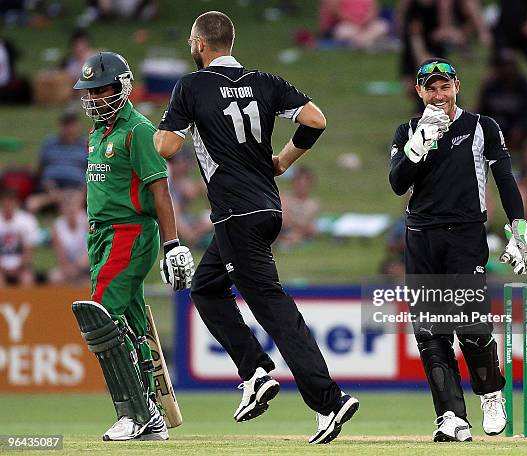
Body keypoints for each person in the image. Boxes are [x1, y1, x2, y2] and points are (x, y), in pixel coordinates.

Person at [154, 11, 359, 445]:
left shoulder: (191, 86)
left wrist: (157, 130)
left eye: (193, 44)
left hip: (234, 214)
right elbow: (315, 119)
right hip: (267, 209)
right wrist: (283, 159)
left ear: (199, 44)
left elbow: (166, 147)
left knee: (272, 307)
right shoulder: (265, 81)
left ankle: (329, 400)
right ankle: (256, 371)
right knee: (206, 288)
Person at [389, 58, 527, 442]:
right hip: (421, 237)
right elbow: (397, 182)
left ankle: (490, 393)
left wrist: (518, 230)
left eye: (444, 87)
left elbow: (504, 178)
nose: (438, 95)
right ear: (419, 92)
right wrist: (419, 143)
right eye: (430, 88)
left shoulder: (482, 126)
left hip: (466, 235)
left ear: (457, 86)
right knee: (430, 332)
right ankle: (451, 417)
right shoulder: (406, 130)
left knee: (470, 323)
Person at [71, 51, 194, 442]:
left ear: (122, 87)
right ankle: (151, 416)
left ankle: (133, 414)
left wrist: (172, 244)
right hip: (101, 236)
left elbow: (160, 190)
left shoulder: (138, 129)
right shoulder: (97, 133)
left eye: (100, 89)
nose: (92, 98)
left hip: (130, 232)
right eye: (88, 92)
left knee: (101, 316)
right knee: (131, 326)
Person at [27, 109, 87, 213]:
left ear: (78, 125)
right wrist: (51, 190)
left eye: (72, 124)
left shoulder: (86, 145)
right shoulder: (49, 144)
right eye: (66, 124)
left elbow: (92, 172)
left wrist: (82, 192)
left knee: (75, 202)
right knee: (31, 204)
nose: (69, 128)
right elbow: (41, 170)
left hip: (76, 191)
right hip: (51, 190)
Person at [476, 49, 527, 150]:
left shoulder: (523, 86)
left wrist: (520, 128)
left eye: (511, 65)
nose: (508, 69)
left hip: (516, 127)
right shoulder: (491, 85)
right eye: (504, 65)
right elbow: (482, 109)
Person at [48, 190, 89, 285]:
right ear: (62, 209)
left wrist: (78, 267)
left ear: (79, 207)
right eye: (68, 206)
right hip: (67, 267)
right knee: (54, 277)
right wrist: (68, 268)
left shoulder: (87, 222)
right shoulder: (56, 226)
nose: (71, 209)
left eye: (74, 206)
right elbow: (60, 254)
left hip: (86, 266)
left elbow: (92, 251)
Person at [0, 187, 38, 287]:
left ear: (16, 203)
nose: (8, 204)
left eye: (11, 201)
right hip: (1, 267)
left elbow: (29, 249)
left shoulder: (27, 220)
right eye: (6, 201)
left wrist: (20, 267)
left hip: (21, 266)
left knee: (27, 280)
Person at [279, 166, 319, 248]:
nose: (301, 186)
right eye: (299, 182)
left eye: (305, 183)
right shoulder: (285, 198)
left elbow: (311, 227)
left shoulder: (313, 204)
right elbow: (284, 220)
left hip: (302, 234)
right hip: (286, 231)